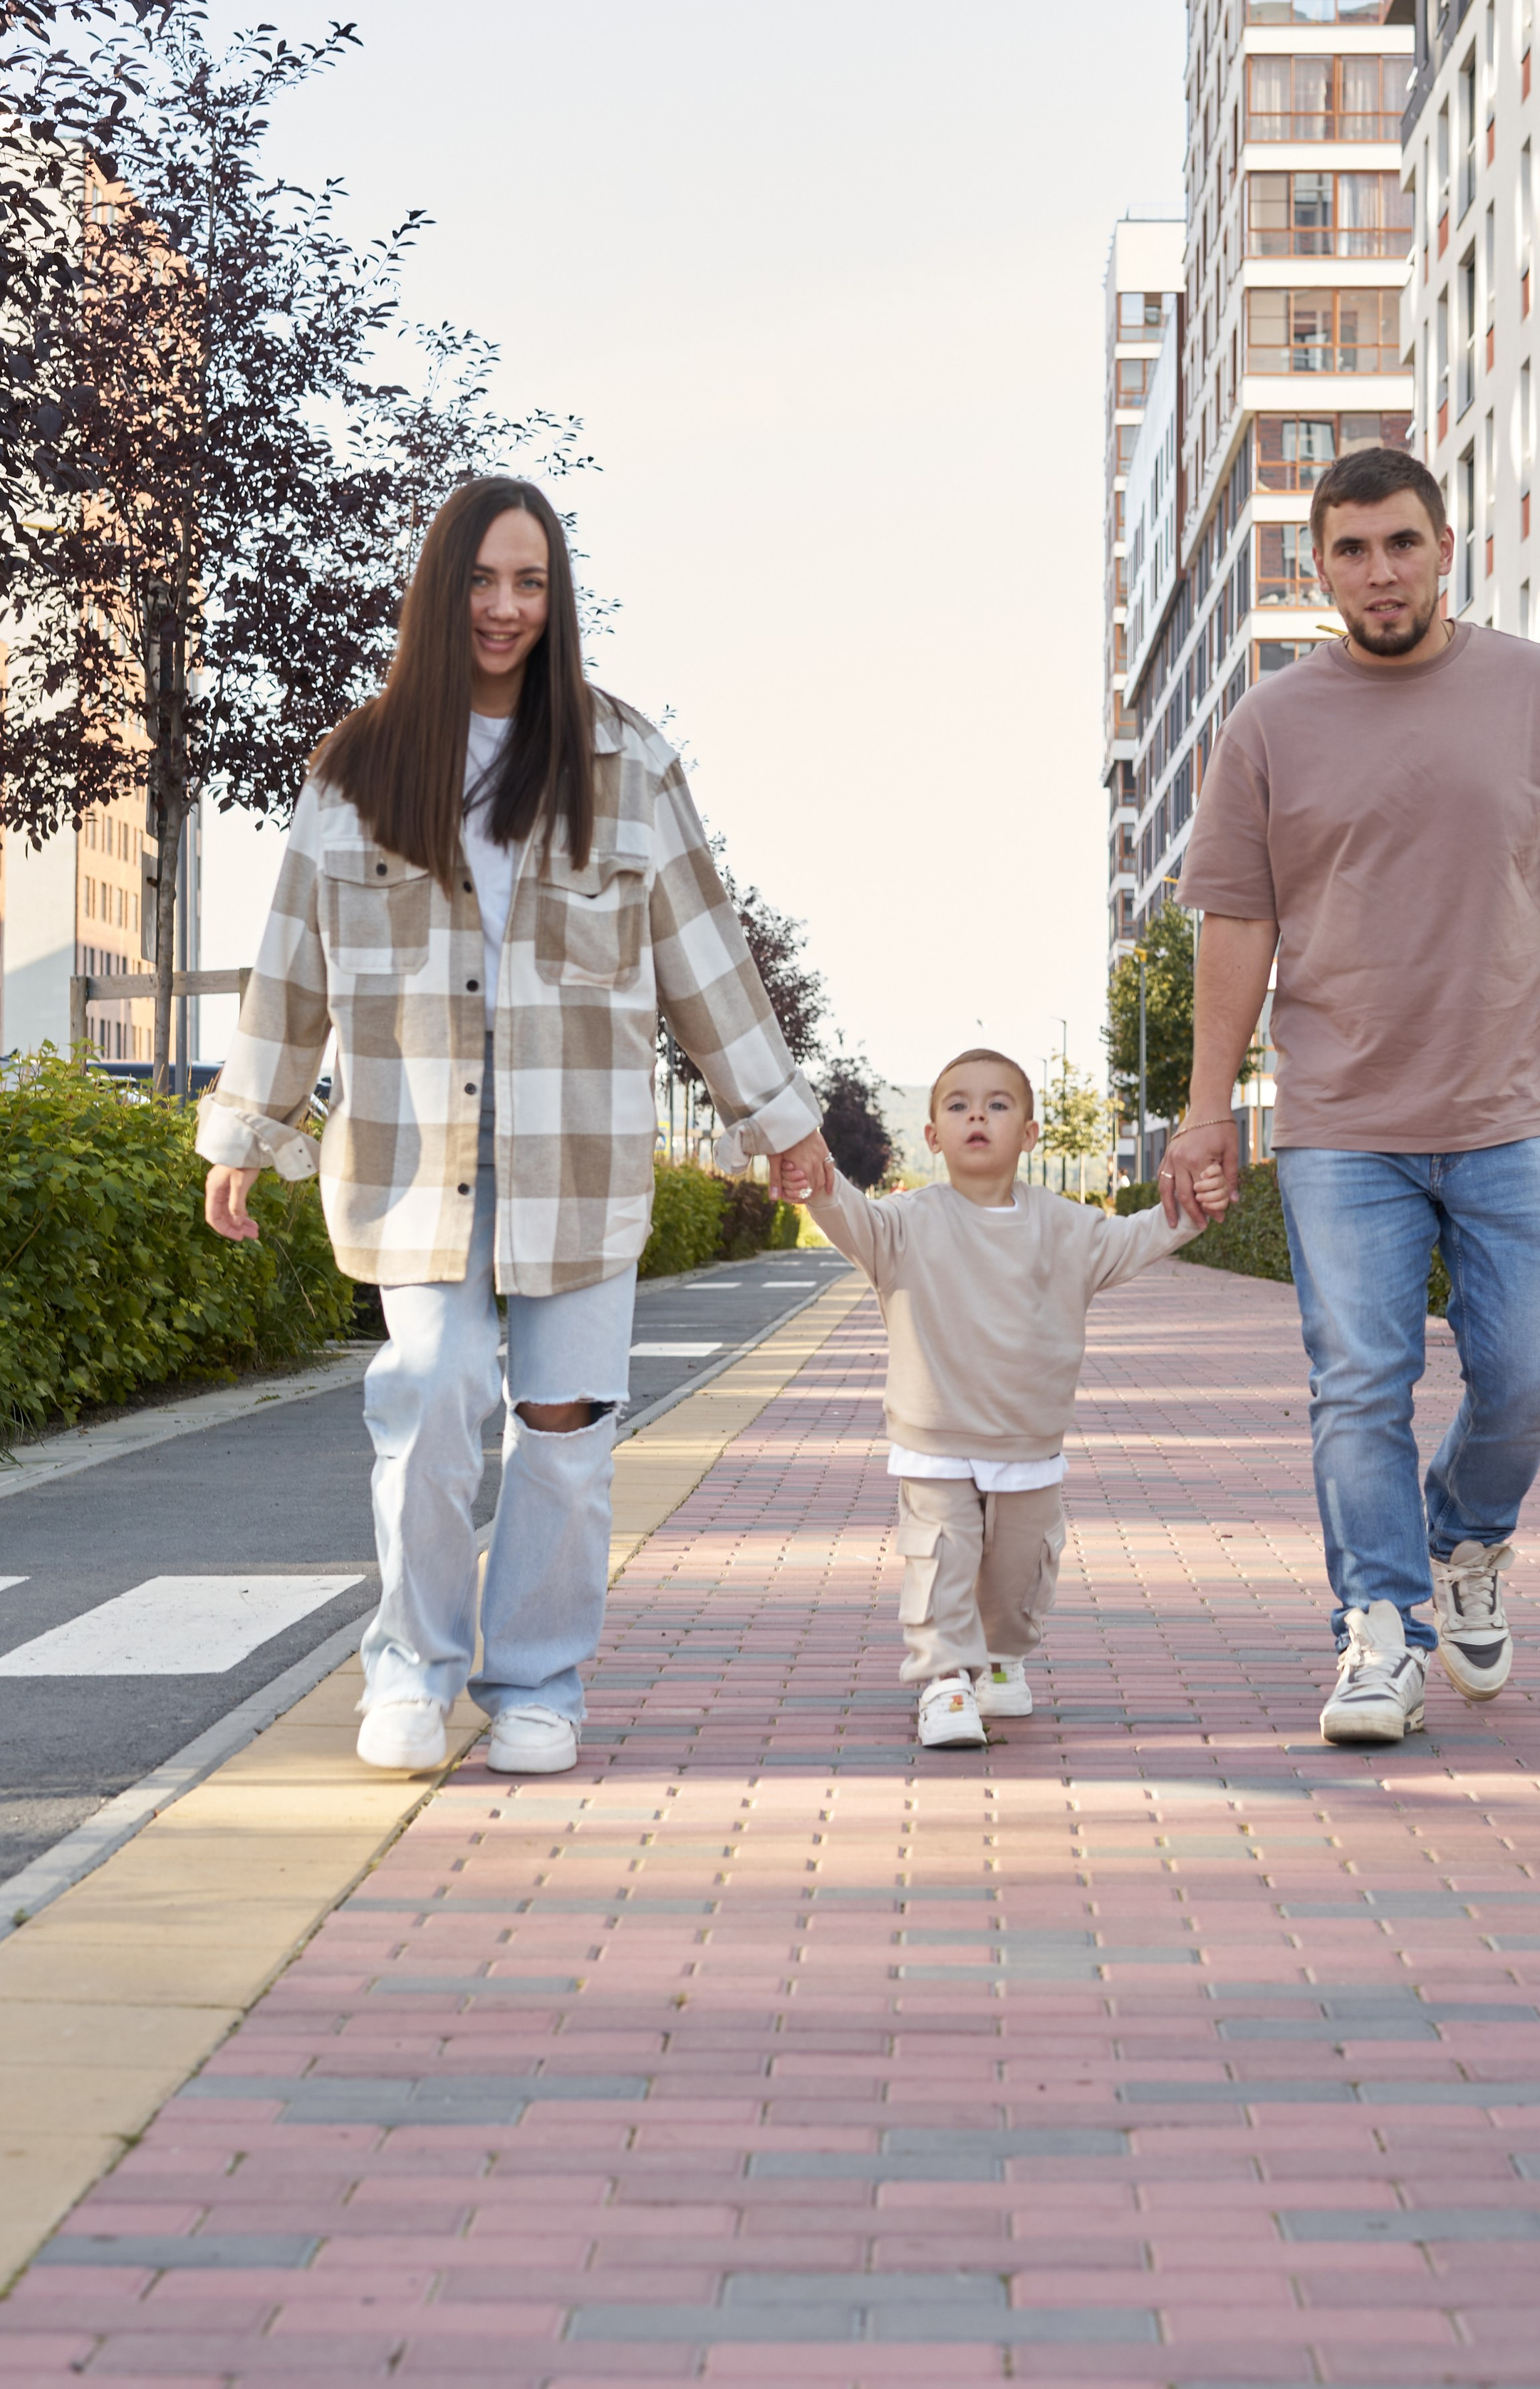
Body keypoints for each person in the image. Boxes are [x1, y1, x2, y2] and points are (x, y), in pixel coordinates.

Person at [198, 477, 831, 1779]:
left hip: (579, 1153)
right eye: (483, 580)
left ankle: (537, 1681)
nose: (505, 607)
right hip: (414, 1153)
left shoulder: (626, 758)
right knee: (430, 1396)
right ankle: (411, 1670)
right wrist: (244, 1127)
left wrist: (777, 1119)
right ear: (443, 590)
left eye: (530, 583)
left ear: (558, 598)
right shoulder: (359, 765)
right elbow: (292, 963)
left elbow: (698, 949)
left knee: (565, 1433)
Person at [1162, 445, 1540, 1748]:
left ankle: (1466, 1536)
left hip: (1519, 1110)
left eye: (1401, 543)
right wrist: (1206, 1104)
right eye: (1350, 551)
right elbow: (1235, 921)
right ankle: (1382, 1632)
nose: (1379, 572)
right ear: (1317, 567)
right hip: (1343, 1120)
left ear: (1447, 545)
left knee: (1538, 1364)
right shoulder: (1269, 725)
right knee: (1358, 1383)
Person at [803, 1048, 1197, 1748]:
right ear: (932, 1136)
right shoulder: (902, 1225)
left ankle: (1002, 1657)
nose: (976, 1115)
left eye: (997, 1104)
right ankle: (946, 1681)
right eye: (956, 1105)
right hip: (935, 1439)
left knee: (1020, 1575)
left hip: (1028, 1443)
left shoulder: (1067, 1228)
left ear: (1030, 1133)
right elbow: (845, 1212)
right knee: (942, 1559)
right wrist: (815, 1182)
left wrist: (1191, 1209)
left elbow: (1139, 1236)